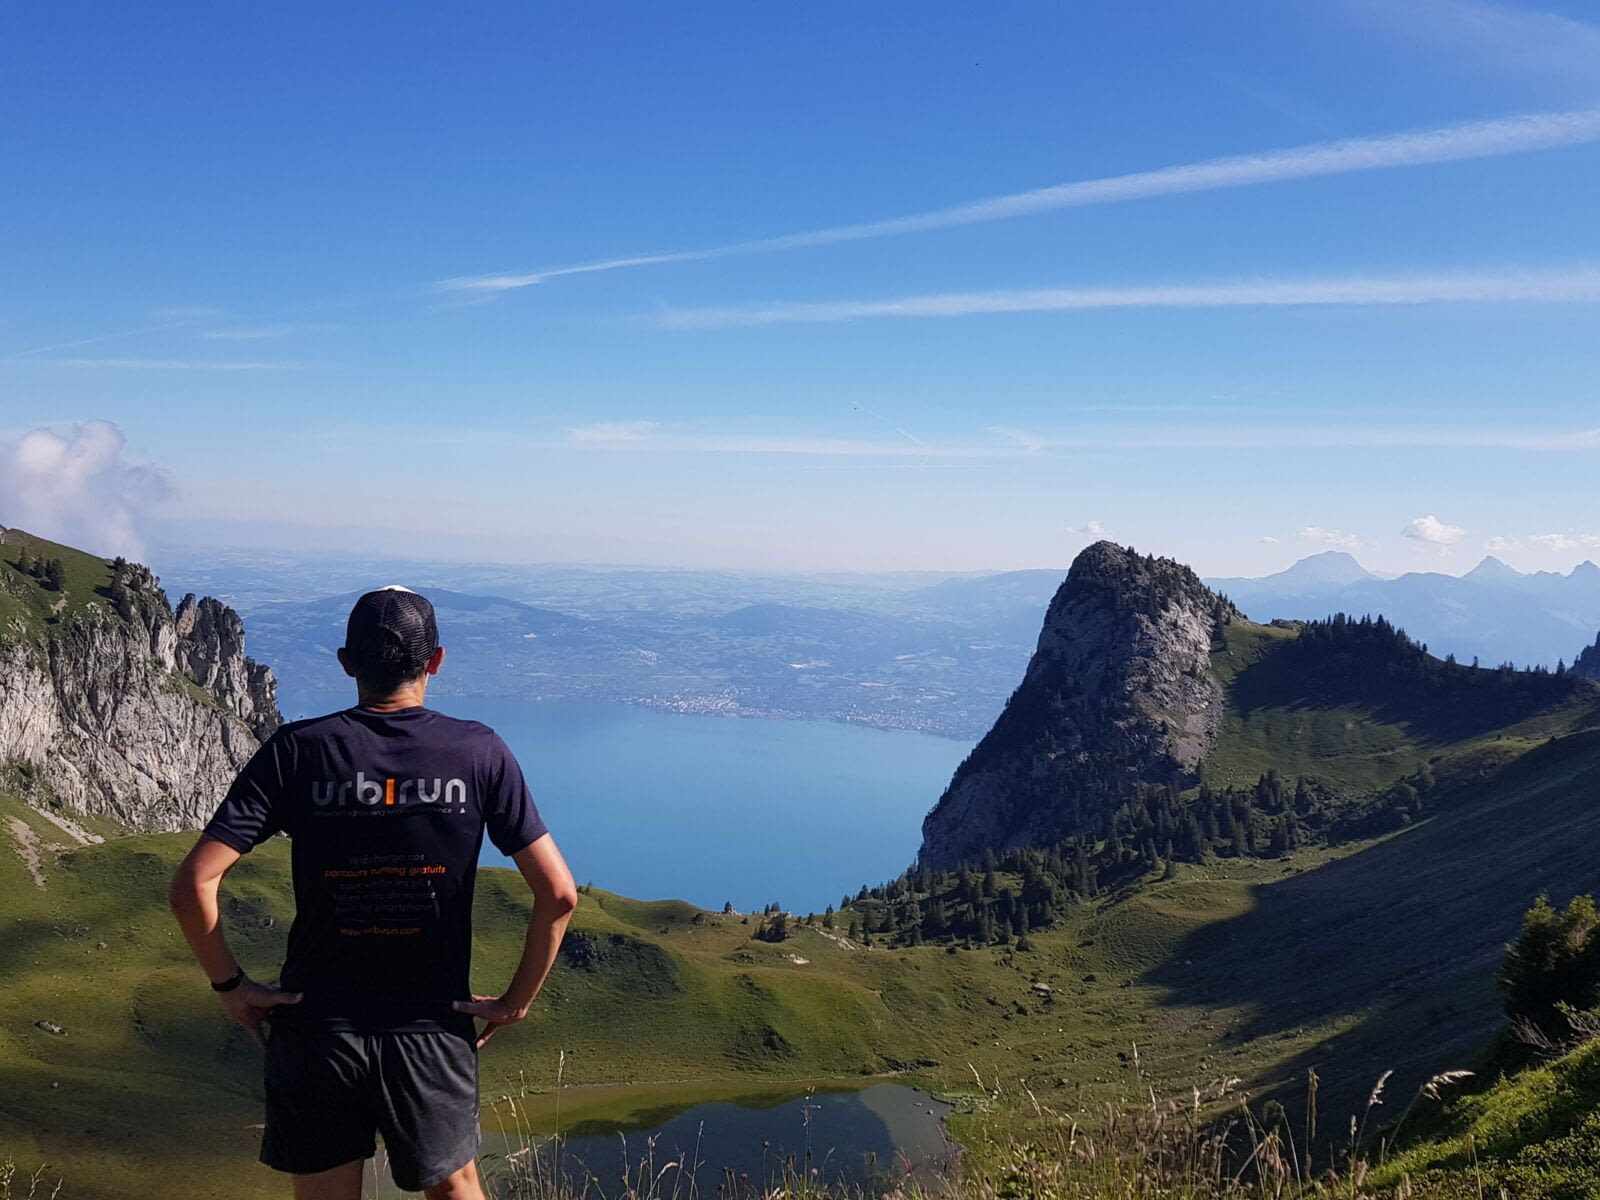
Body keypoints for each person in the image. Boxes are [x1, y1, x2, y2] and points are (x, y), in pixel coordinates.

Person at [169, 586, 577, 1200]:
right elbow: (559, 896)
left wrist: (234, 988)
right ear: (435, 660)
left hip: (316, 1027)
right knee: (456, 1187)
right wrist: (514, 1003)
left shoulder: (297, 751)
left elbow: (192, 885)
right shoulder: (478, 751)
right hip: (430, 1027)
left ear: (345, 661)